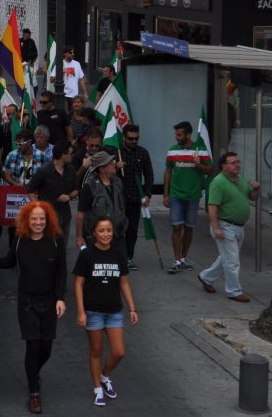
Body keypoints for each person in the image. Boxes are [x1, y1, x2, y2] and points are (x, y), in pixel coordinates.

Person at [0, 201, 68, 414]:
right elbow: (9, 262)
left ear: (48, 221)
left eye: (42, 219)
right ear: (27, 220)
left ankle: (34, 372)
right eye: (34, 218)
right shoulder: (19, 240)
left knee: (46, 348)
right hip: (27, 302)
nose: (38, 222)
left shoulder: (55, 240)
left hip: (49, 301)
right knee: (33, 346)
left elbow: (61, 271)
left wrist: (60, 298)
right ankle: (34, 393)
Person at [73, 216, 139, 407]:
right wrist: (81, 311)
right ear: (94, 233)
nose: (105, 234)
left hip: (114, 311)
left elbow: (124, 283)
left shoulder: (118, 254)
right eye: (101, 231)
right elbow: (78, 284)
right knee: (96, 351)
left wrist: (132, 308)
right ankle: (97, 389)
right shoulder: (86, 255)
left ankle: (104, 376)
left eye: (109, 230)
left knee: (119, 352)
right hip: (93, 311)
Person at [197, 152, 261, 303]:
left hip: (238, 227)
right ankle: (234, 291)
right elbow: (212, 206)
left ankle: (206, 277)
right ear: (223, 166)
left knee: (227, 258)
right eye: (233, 163)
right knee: (232, 261)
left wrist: (256, 189)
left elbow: (252, 197)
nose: (237, 165)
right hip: (225, 226)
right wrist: (216, 228)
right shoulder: (218, 182)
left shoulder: (240, 179)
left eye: (238, 162)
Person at [164, 120, 213, 274]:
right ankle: (177, 260)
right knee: (176, 226)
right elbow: (168, 171)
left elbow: (210, 170)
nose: (176, 137)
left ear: (188, 134)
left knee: (189, 228)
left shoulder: (201, 150)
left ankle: (183, 259)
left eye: (179, 134)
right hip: (176, 195)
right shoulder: (172, 151)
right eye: (175, 134)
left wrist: (199, 165)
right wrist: (166, 194)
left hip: (193, 195)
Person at [107, 124, 154, 270]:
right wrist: (115, 167)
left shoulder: (143, 152)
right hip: (116, 198)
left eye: (136, 138)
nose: (134, 141)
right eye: (130, 138)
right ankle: (113, 256)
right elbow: (102, 173)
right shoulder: (114, 152)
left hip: (135, 197)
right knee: (115, 229)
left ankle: (128, 257)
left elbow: (149, 174)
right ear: (124, 137)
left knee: (132, 230)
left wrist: (147, 194)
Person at [75, 151, 126, 254]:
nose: (114, 164)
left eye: (113, 161)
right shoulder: (89, 187)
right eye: (110, 163)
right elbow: (80, 215)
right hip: (96, 238)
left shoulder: (118, 183)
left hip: (117, 235)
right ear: (102, 169)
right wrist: (79, 237)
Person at [27, 141, 79, 240]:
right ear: (62, 155)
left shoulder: (71, 170)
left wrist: (69, 196)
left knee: (62, 249)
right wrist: (37, 206)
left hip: (65, 217)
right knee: (48, 248)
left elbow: (76, 189)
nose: (72, 156)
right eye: (70, 154)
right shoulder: (44, 170)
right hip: (48, 218)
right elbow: (30, 188)